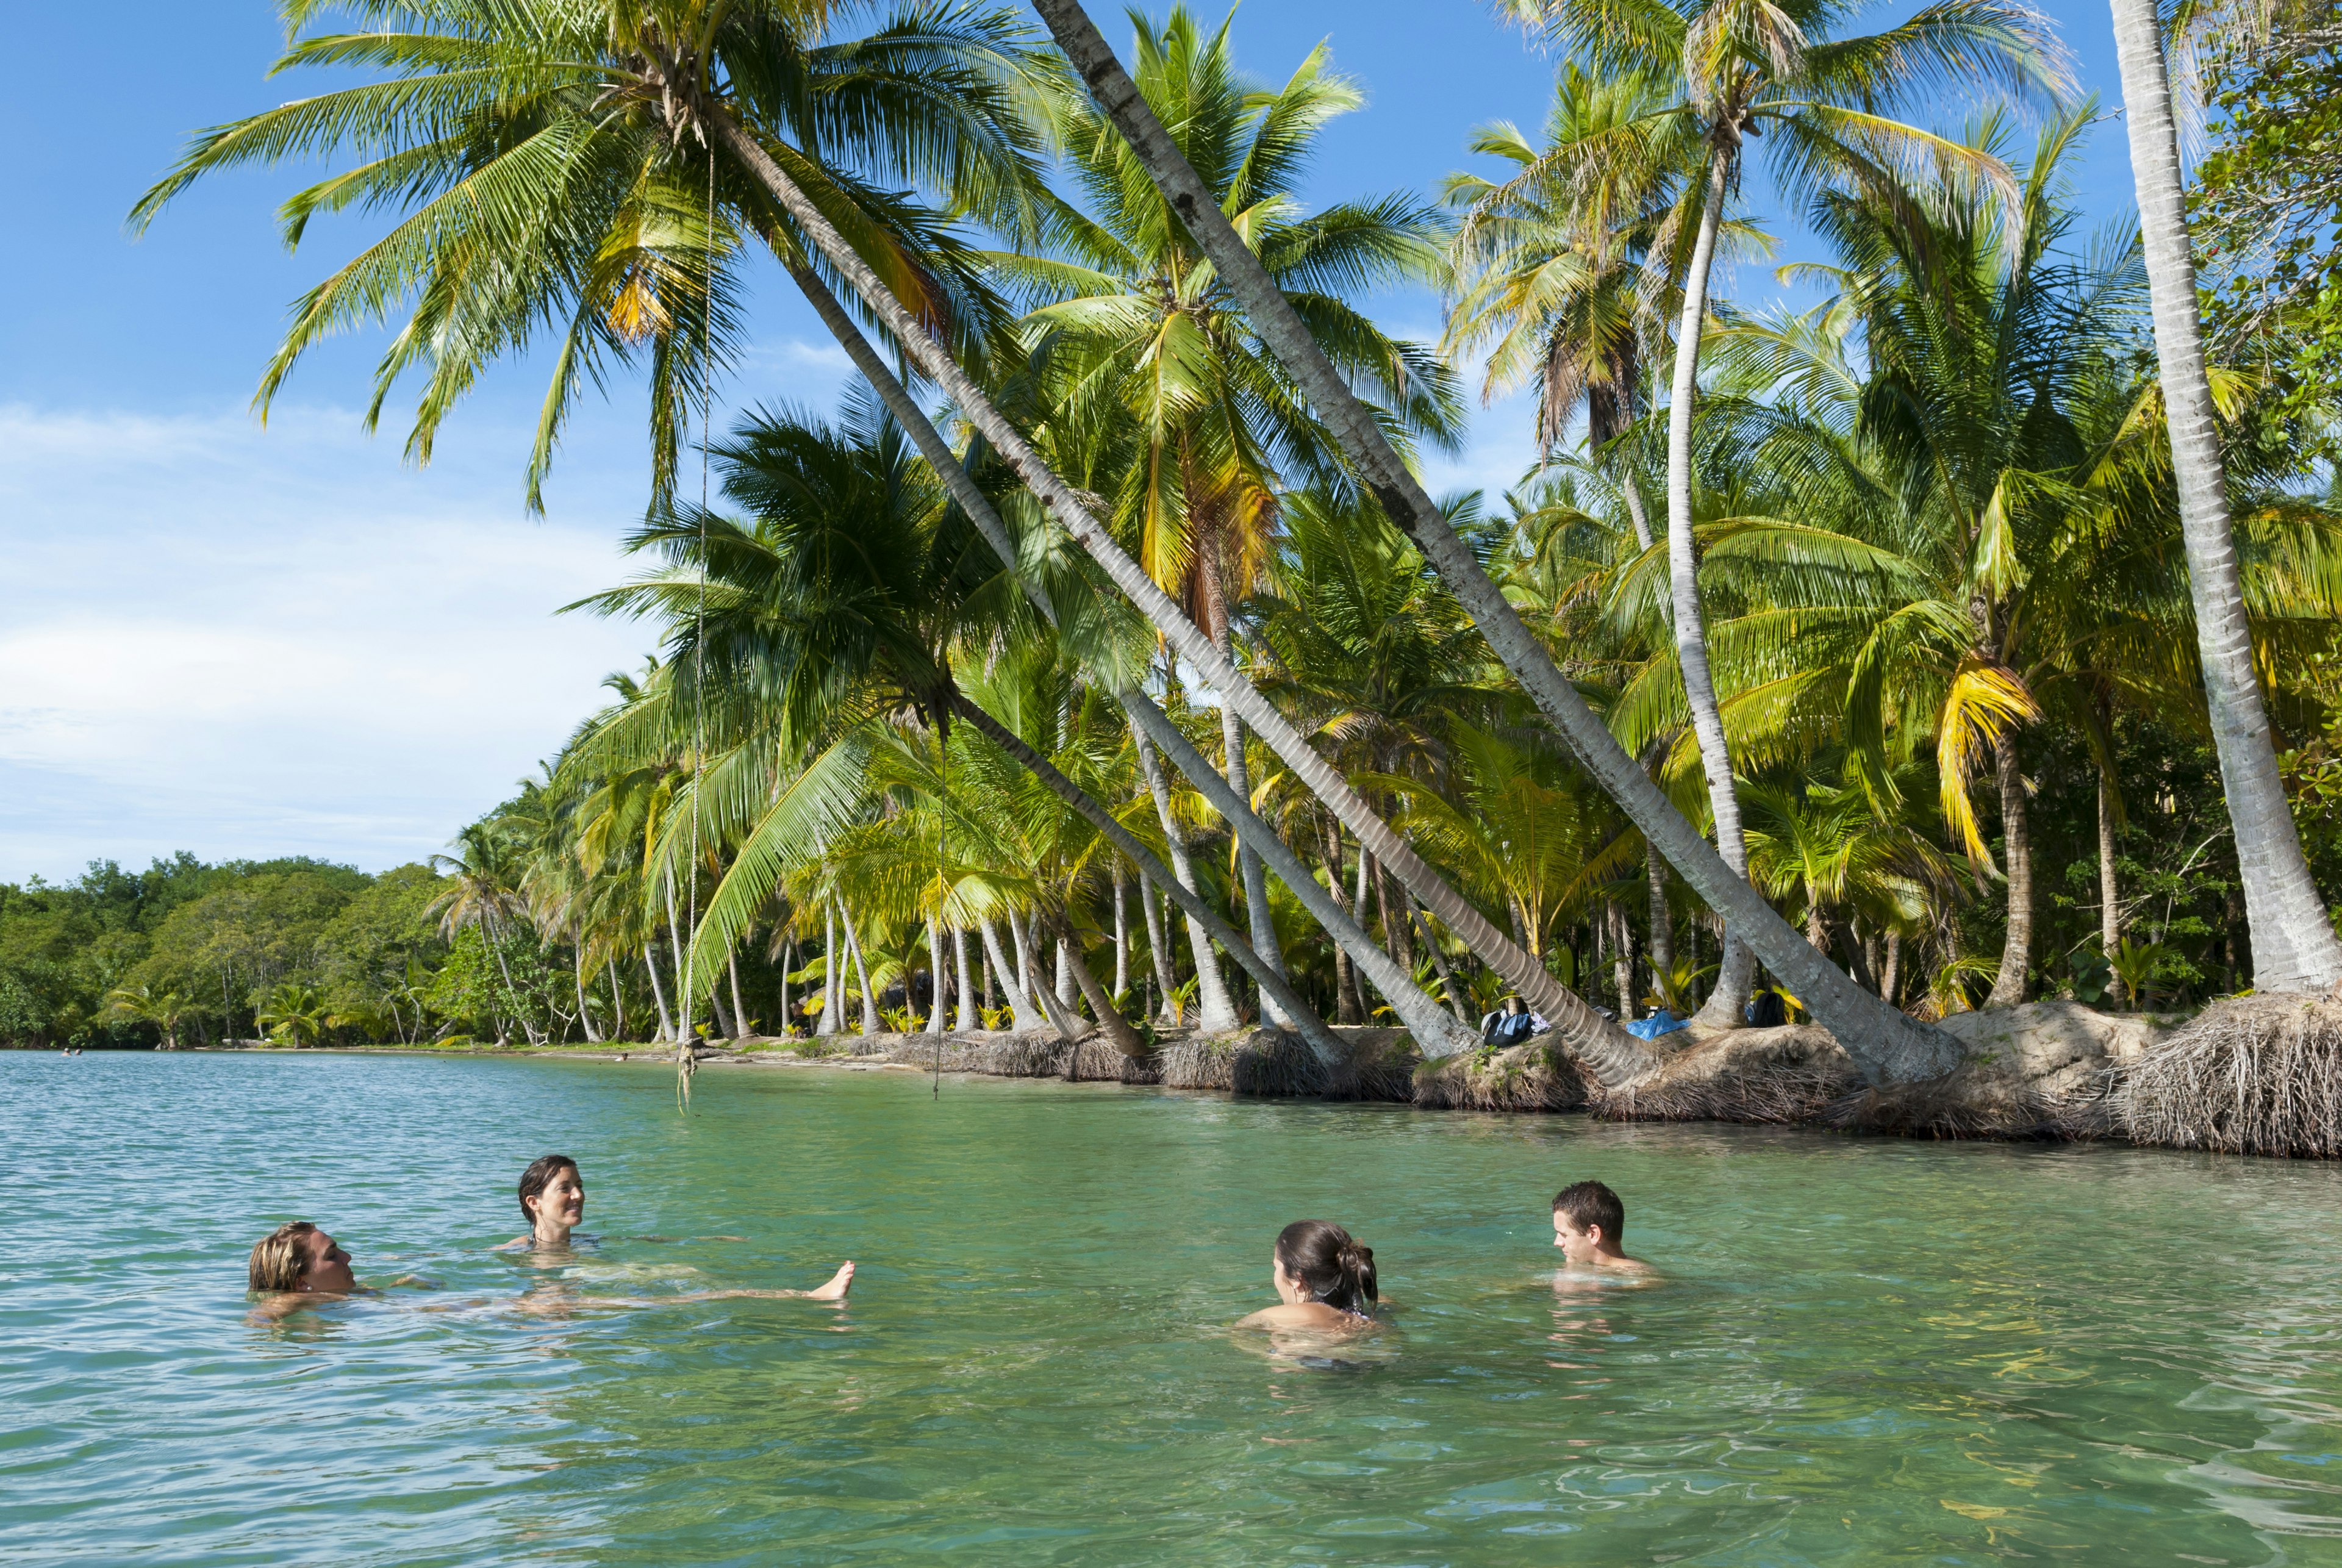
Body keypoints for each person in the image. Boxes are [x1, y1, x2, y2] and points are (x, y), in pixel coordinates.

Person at [496, 1154, 854, 1299]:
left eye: (580, 1186)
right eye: (566, 1188)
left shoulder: (587, 1241)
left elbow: (645, 1238)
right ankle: (807, 1297)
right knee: (684, 1289)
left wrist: (709, 1237)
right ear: (534, 1202)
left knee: (685, 1269)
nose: (579, 1195)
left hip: (592, 1275)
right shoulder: (520, 1250)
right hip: (566, 1294)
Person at [1235, 1220, 1378, 1331]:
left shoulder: (1307, 1313)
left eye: (1276, 1267)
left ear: (1297, 1280)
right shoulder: (1359, 1310)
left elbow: (1240, 1329)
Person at [1551, 1180, 1653, 1276]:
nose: (1557, 1242)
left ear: (1594, 1234)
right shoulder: (1591, 1269)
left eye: (1564, 1235)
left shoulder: (1642, 1278)